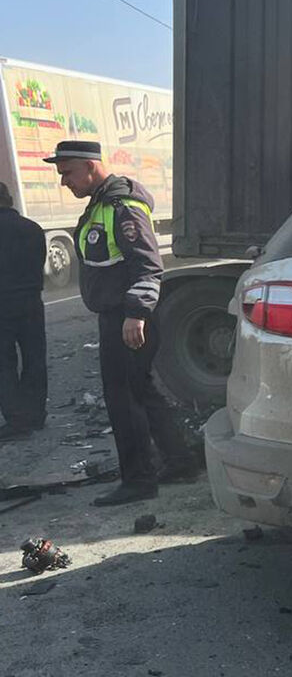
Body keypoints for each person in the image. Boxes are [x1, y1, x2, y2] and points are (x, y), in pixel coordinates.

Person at [45, 140, 198, 506]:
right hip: (123, 315)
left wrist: (136, 314)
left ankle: (139, 480)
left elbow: (147, 264)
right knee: (141, 390)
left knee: (123, 398)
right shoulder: (102, 204)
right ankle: (180, 462)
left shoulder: (121, 206)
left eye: (67, 172)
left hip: (128, 318)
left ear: (90, 166)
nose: (64, 181)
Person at [0, 181, 48, 440]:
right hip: (31, 302)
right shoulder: (33, 229)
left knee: (4, 364)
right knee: (35, 358)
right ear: (9, 200)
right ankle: (36, 415)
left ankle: (17, 421)